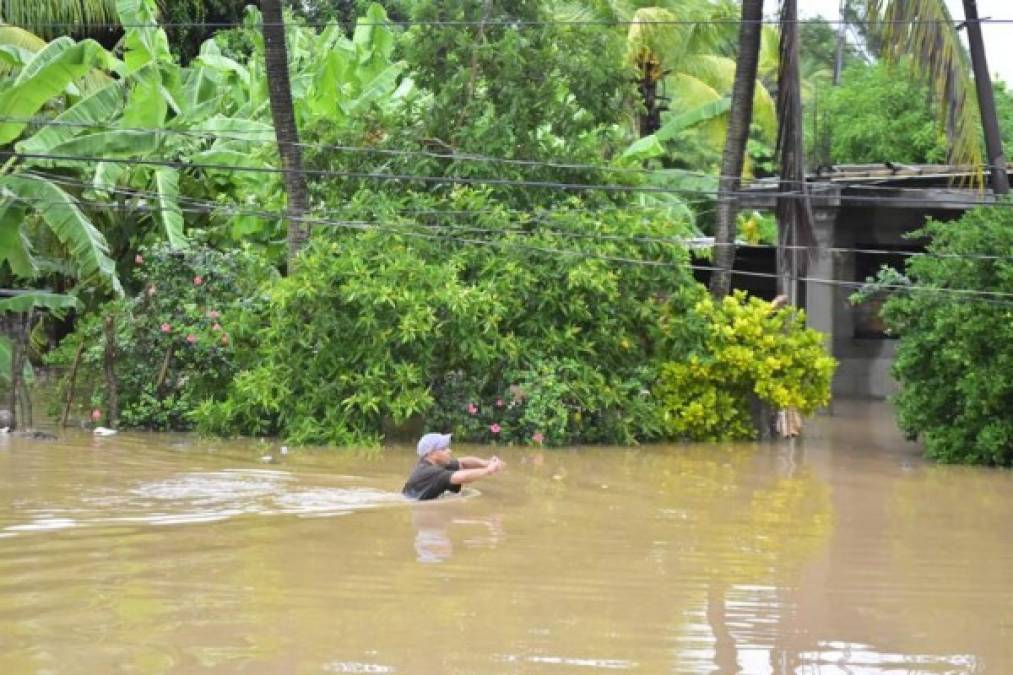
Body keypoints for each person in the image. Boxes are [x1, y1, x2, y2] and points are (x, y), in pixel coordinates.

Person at [402, 432, 505, 500]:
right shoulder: (429, 471)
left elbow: (462, 462)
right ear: (431, 454)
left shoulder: (438, 463)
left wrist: (486, 463)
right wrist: (488, 470)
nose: (449, 451)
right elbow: (462, 477)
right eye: (443, 448)